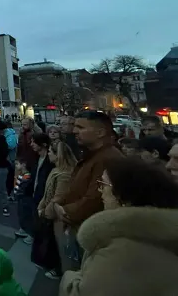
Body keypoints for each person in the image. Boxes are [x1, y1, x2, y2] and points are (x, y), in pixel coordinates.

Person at [59, 156, 178, 296]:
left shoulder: (123, 249)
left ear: (123, 196)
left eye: (103, 184)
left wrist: (70, 277)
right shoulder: (156, 235)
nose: (100, 191)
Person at [53, 110, 123, 273]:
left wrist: (64, 210)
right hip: (83, 229)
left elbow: (95, 199)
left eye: (80, 127)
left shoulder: (107, 158)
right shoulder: (94, 155)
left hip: (92, 233)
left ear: (100, 132)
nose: (74, 131)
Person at [33, 141, 77, 279]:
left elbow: (58, 198)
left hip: (58, 217)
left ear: (58, 155)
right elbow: (48, 193)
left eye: (51, 152)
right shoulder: (55, 170)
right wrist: (41, 206)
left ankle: (63, 274)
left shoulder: (65, 174)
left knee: (60, 247)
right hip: (49, 211)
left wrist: (46, 213)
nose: (49, 155)